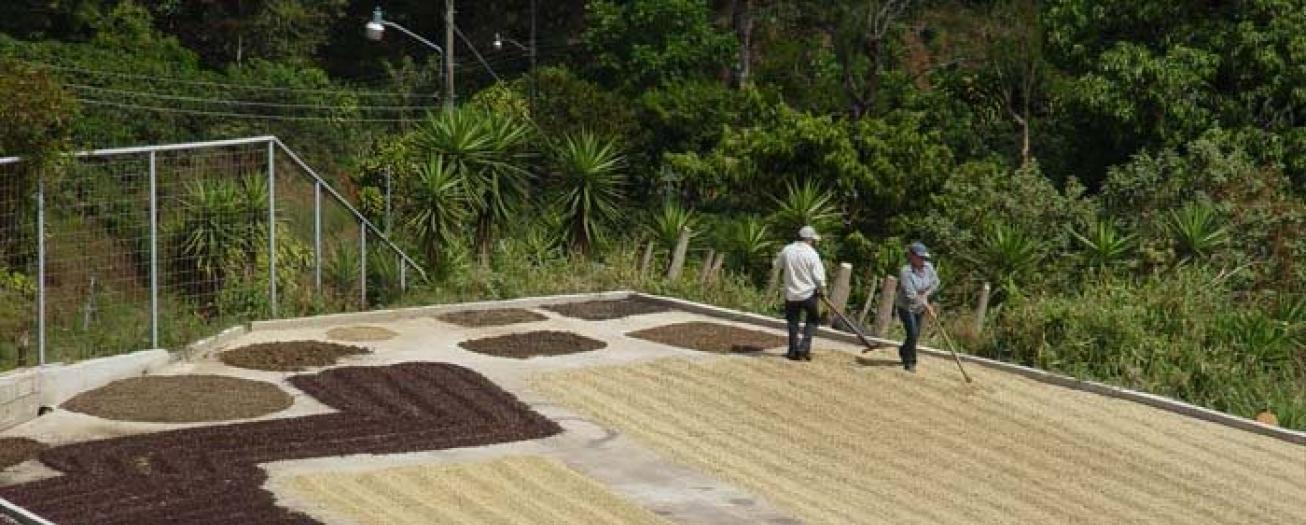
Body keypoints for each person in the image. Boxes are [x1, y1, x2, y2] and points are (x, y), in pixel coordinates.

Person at [772, 226, 827, 361]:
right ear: (809, 239)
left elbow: (776, 265)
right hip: (808, 293)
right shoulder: (812, 254)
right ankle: (803, 348)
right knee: (814, 319)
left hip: (791, 293)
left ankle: (792, 351)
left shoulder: (787, 250)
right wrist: (823, 289)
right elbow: (819, 277)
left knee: (793, 322)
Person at [896, 241, 939, 373]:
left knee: (915, 335)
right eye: (920, 257)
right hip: (906, 307)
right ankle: (910, 362)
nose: (922, 260)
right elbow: (911, 294)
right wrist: (927, 306)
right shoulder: (906, 272)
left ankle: (904, 350)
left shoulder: (928, 268)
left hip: (919, 308)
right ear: (912, 256)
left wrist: (925, 294)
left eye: (924, 257)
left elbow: (935, 282)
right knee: (912, 333)